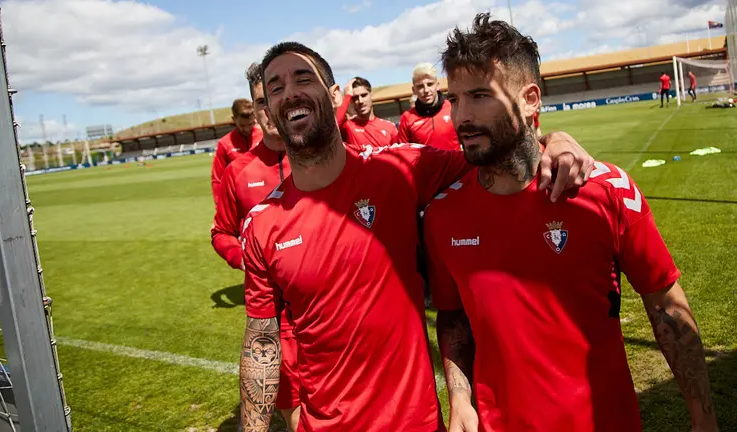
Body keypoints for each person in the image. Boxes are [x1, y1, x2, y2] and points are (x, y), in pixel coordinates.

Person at [238, 41, 595, 432]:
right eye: (275, 88)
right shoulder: (262, 225)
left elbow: (499, 152)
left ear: (335, 95)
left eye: (303, 78)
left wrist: (554, 139)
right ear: (267, 109)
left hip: (417, 424)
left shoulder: (398, 169)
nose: (290, 93)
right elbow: (261, 347)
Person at [424, 14, 719, 432]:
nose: (462, 116)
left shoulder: (606, 191)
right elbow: (453, 318)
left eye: (479, 95)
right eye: (454, 99)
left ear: (530, 99)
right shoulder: (443, 215)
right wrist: (460, 398)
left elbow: (666, 307)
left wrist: (704, 421)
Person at [210, 64, 298, 430]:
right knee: (295, 411)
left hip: (326, 308)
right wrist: (245, 258)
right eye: (262, 102)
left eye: (277, 97)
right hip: (272, 315)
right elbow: (221, 232)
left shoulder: (321, 158)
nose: (270, 109)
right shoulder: (238, 171)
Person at [398, 63, 461, 151]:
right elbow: (403, 152)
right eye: (420, 86)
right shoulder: (407, 118)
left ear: (437, 85)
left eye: (430, 84)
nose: (426, 90)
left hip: (456, 160)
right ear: (414, 90)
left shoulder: (453, 108)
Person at [211, 98, 263, 202]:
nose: (247, 129)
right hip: (237, 200)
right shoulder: (224, 144)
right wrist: (219, 204)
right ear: (234, 119)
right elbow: (217, 179)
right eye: (242, 125)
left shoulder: (263, 137)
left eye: (250, 124)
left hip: (263, 197)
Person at [338, 77, 398, 147]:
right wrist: (347, 96)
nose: (360, 101)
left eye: (364, 95)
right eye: (355, 98)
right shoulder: (348, 127)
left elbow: (400, 152)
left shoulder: (390, 127)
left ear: (371, 95)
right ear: (351, 101)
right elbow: (334, 124)